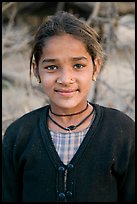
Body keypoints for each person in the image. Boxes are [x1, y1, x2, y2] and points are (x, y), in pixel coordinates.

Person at [2, 11, 135, 202]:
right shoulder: (19, 135)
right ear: (36, 70)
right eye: (51, 67)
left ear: (95, 68)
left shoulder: (122, 132)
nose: (65, 79)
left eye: (78, 66)